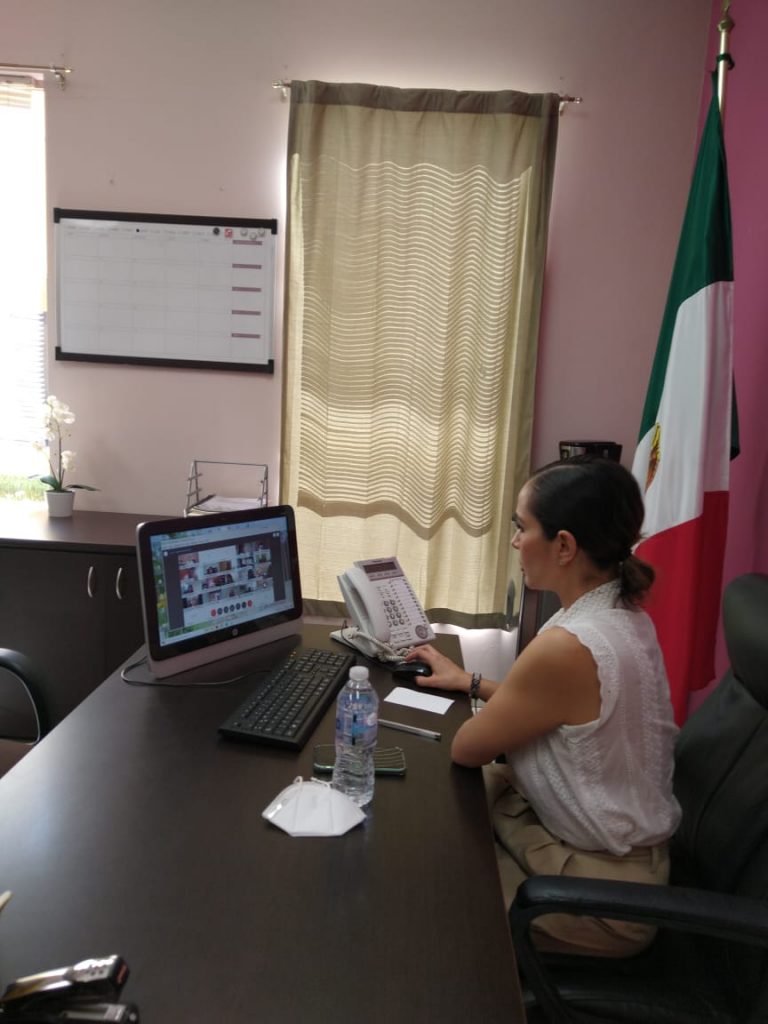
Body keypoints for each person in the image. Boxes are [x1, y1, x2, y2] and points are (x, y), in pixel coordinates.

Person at [405, 456, 681, 957]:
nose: (514, 542)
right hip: (611, 858)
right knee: (430, 818)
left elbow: (468, 748)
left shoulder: (568, 646)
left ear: (564, 546)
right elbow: (563, 709)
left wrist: (478, 695)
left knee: (426, 890)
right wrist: (469, 682)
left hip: (602, 900)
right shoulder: (620, 615)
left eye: (521, 527)